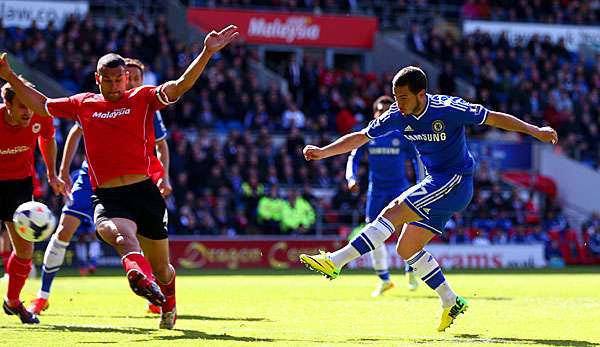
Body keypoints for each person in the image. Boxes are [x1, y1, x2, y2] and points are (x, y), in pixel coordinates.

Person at [0, 24, 239, 329]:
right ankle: (135, 275)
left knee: (163, 269)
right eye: (107, 81)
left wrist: (207, 51)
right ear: (97, 79)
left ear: (127, 78)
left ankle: (168, 301)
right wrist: (10, 77)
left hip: (145, 193)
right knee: (119, 236)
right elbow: (42, 105)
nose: (113, 87)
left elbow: (178, 86)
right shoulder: (83, 103)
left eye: (118, 80)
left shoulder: (143, 98)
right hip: (109, 196)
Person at [300, 66, 557, 331]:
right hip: (437, 183)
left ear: (421, 94)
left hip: (455, 180)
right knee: (406, 248)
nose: (398, 104)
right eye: (395, 97)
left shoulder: (449, 108)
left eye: (403, 97)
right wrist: (323, 152)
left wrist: (534, 130)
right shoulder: (397, 115)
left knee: (393, 210)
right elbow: (361, 137)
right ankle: (450, 300)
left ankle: (336, 261)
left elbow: (493, 118)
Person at [29, 58, 173, 316]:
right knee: (65, 229)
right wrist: (62, 171)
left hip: (137, 179)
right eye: (119, 78)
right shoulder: (90, 105)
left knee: (140, 240)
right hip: (94, 177)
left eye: (135, 79)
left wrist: (164, 175)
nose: (127, 83)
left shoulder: (147, 104)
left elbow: (160, 146)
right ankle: (42, 296)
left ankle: (152, 289)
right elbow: (75, 131)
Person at [0, 78, 66, 324]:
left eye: (30, 105)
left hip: (18, 185)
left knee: (25, 251)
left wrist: (51, 173)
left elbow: (47, 139)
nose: (28, 111)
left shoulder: (40, 115)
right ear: (7, 104)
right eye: (21, 106)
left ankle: (13, 302)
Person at [345, 95, 419, 297]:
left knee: (407, 231)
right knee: (373, 233)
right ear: (374, 113)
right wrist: (351, 179)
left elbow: (416, 159)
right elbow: (353, 157)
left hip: (400, 189)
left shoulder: (402, 134)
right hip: (376, 191)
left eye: (388, 110)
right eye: (380, 110)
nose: (384, 113)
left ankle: (411, 270)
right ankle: (384, 279)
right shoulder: (369, 135)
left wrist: (421, 182)